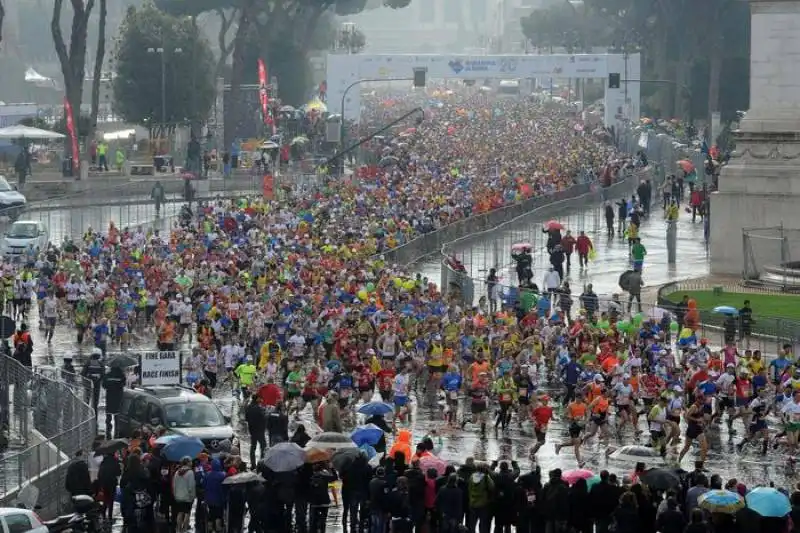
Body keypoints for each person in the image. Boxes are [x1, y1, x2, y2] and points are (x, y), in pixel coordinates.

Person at [172, 456, 197, 533]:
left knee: (180, 512)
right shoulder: (190, 472)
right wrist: (193, 496)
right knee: (187, 513)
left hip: (178, 496)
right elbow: (191, 486)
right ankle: (184, 529)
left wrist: (175, 494)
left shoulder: (177, 472)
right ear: (188, 463)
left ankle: (178, 529)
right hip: (187, 497)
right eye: (190, 461)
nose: (192, 463)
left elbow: (174, 485)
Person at [245, 397, 268, 466]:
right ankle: (262, 463)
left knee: (253, 447)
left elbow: (246, 418)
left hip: (252, 431)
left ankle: (253, 464)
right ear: (257, 400)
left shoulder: (248, 408)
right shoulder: (259, 409)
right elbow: (264, 419)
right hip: (260, 431)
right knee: (263, 446)